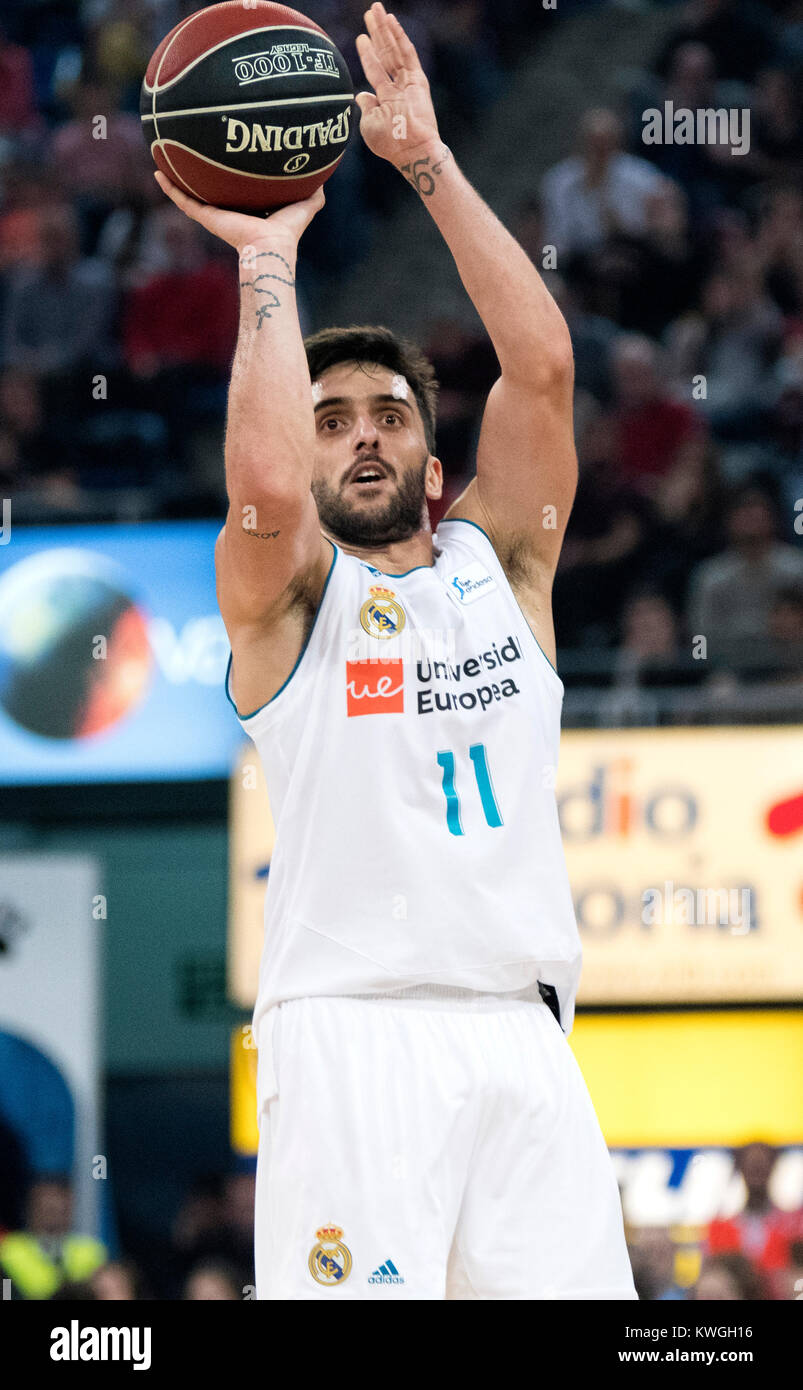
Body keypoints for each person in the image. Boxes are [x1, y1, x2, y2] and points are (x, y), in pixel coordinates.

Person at [157, 1, 637, 1301]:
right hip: (355, 1036)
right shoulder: (288, 606)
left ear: (435, 458)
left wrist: (425, 161)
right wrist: (268, 256)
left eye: (388, 413)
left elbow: (539, 370)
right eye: (332, 419)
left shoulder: (507, 563)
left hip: (526, 1039)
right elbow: (257, 489)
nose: (361, 433)